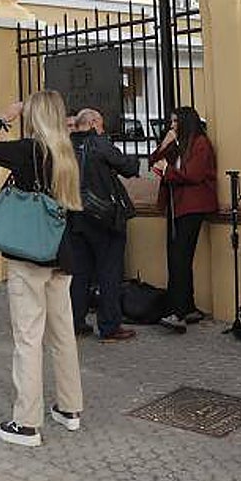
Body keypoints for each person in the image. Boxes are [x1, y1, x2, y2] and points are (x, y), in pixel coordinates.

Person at [0, 91, 84, 448]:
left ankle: (26, 423)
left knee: (28, 339)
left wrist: (4, 117)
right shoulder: (66, 153)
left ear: (33, 116)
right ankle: (69, 408)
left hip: (29, 257)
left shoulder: (27, 151)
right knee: (63, 335)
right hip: (61, 257)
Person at [69, 107, 141, 343]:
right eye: (100, 123)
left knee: (80, 273)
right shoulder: (98, 144)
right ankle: (110, 326)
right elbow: (129, 168)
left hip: (75, 217)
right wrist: (103, 139)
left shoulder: (66, 147)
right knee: (109, 271)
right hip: (102, 218)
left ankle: (76, 323)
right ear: (92, 123)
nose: (103, 127)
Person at [149, 106, 217, 333]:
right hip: (176, 206)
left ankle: (178, 311)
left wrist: (167, 171)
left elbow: (193, 174)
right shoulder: (179, 145)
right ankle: (186, 307)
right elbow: (154, 160)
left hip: (192, 206)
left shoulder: (200, 144)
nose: (172, 126)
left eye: (175, 122)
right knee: (177, 256)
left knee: (180, 256)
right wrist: (165, 143)